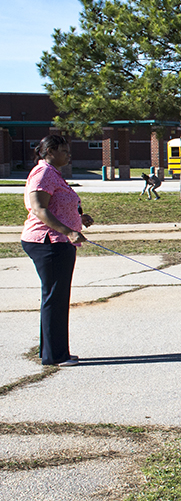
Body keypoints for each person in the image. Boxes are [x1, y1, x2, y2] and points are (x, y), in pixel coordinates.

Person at [21, 135, 94, 366]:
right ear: (50, 151)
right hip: (48, 241)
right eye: (64, 150)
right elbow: (39, 209)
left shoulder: (53, 173)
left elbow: (58, 204)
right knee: (55, 298)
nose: (69, 154)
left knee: (57, 297)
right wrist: (69, 231)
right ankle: (55, 356)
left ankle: (53, 351)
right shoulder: (42, 173)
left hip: (58, 241)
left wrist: (79, 218)